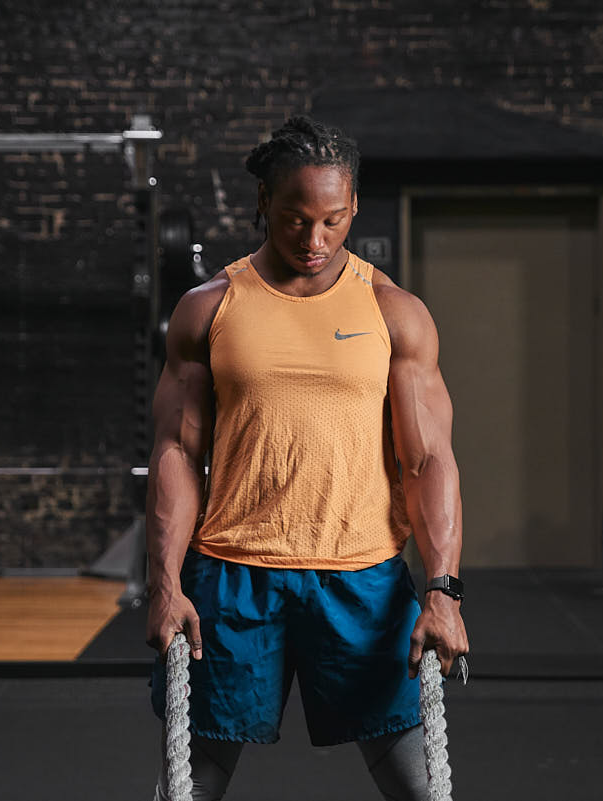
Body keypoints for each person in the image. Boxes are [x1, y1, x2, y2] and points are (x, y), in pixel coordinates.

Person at [145, 115, 469, 801]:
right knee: (188, 789)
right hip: (233, 576)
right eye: (296, 220)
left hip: (362, 580)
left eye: (332, 220)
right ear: (264, 202)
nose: (314, 240)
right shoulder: (209, 309)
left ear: (353, 208)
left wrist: (442, 589)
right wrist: (165, 583)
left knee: (421, 788)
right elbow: (178, 449)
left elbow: (429, 459)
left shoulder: (394, 311)